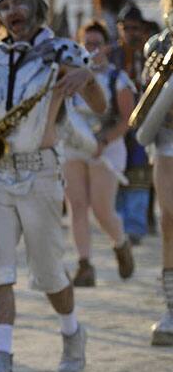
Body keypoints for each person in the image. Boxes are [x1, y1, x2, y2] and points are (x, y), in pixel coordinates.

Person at [0, 0, 105, 372]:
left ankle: (72, 332)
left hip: (41, 170)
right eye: (4, 6)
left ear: (36, 7)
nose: (13, 12)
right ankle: (3, 358)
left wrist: (85, 79)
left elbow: (100, 105)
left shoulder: (61, 51)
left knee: (49, 271)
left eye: (20, 3)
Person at [62, 19, 135, 286]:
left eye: (96, 44)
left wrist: (103, 140)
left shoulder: (117, 79)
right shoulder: (70, 75)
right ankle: (84, 265)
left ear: (106, 47)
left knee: (102, 209)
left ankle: (121, 242)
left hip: (106, 147)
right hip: (74, 146)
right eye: (86, 43)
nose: (91, 49)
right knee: (77, 206)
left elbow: (128, 119)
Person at [140, 0, 173, 346]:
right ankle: (171, 309)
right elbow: (148, 93)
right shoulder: (160, 44)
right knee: (169, 222)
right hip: (167, 140)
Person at [112, 5, 152, 245]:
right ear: (119, 30)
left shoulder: (151, 55)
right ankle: (118, 227)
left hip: (144, 124)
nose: (131, 33)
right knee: (116, 173)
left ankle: (136, 227)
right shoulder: (111, 56)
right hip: (117, 123)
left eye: (135, 28)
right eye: (126, 28)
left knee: (139, 175)